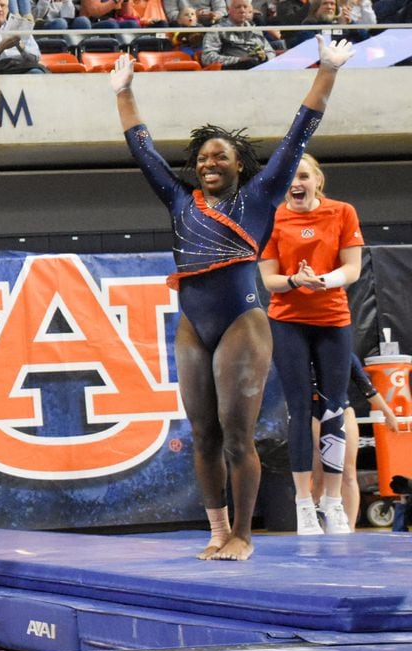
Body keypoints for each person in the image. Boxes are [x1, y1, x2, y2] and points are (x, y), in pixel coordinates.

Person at [110, 36, 354, 560]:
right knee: (203, 435)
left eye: (220, 156)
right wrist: (123, 91)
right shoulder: (179, 200)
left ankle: (245, 533)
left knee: (237, 435)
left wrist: (328, 70)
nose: (208, 163)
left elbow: (299, 131)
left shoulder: (261, 196)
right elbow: (142, 149)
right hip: (193, 324)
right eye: (201, 158)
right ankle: (218, 531)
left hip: (243, 323)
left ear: (240, 164)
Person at [258, 153, 364, 535]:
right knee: (300, 409)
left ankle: (332, 501)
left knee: (335, 408)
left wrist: (324, 280)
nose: (296, 183)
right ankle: (304, 503)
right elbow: (268, 278)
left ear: (317, 179)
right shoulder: (271, 218)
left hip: (332, 320)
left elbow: (352, 268)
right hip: (288, 322)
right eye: (290, 177)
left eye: (303, 176)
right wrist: (294, 282)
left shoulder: (342, 212)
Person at [309, 353, 404, 530]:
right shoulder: (304, 354)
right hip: (314, 411)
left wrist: (388, 412)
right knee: (319, 474)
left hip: (343, 410)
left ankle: (349, 528)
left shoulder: (344, 353)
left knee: (348, 472)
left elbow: (366, 387)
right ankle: (312, 520)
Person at [0, 0, 45, 73]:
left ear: (8, 9)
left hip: (24, 67)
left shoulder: (21, 28)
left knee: (36, 72)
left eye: (3, 6)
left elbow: (36, 58)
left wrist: (22, 48)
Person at [201, 0, 275, 69]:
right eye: (238, 7)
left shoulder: (255, 30)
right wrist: (239, 60)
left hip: (259, 68)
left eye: (245, 7)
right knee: (251, 63)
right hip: (232, 71)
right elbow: (207, 58)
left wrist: (264, 57)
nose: (242, 10)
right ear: (228, 10)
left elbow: (270, 52)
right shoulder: (216, 30)